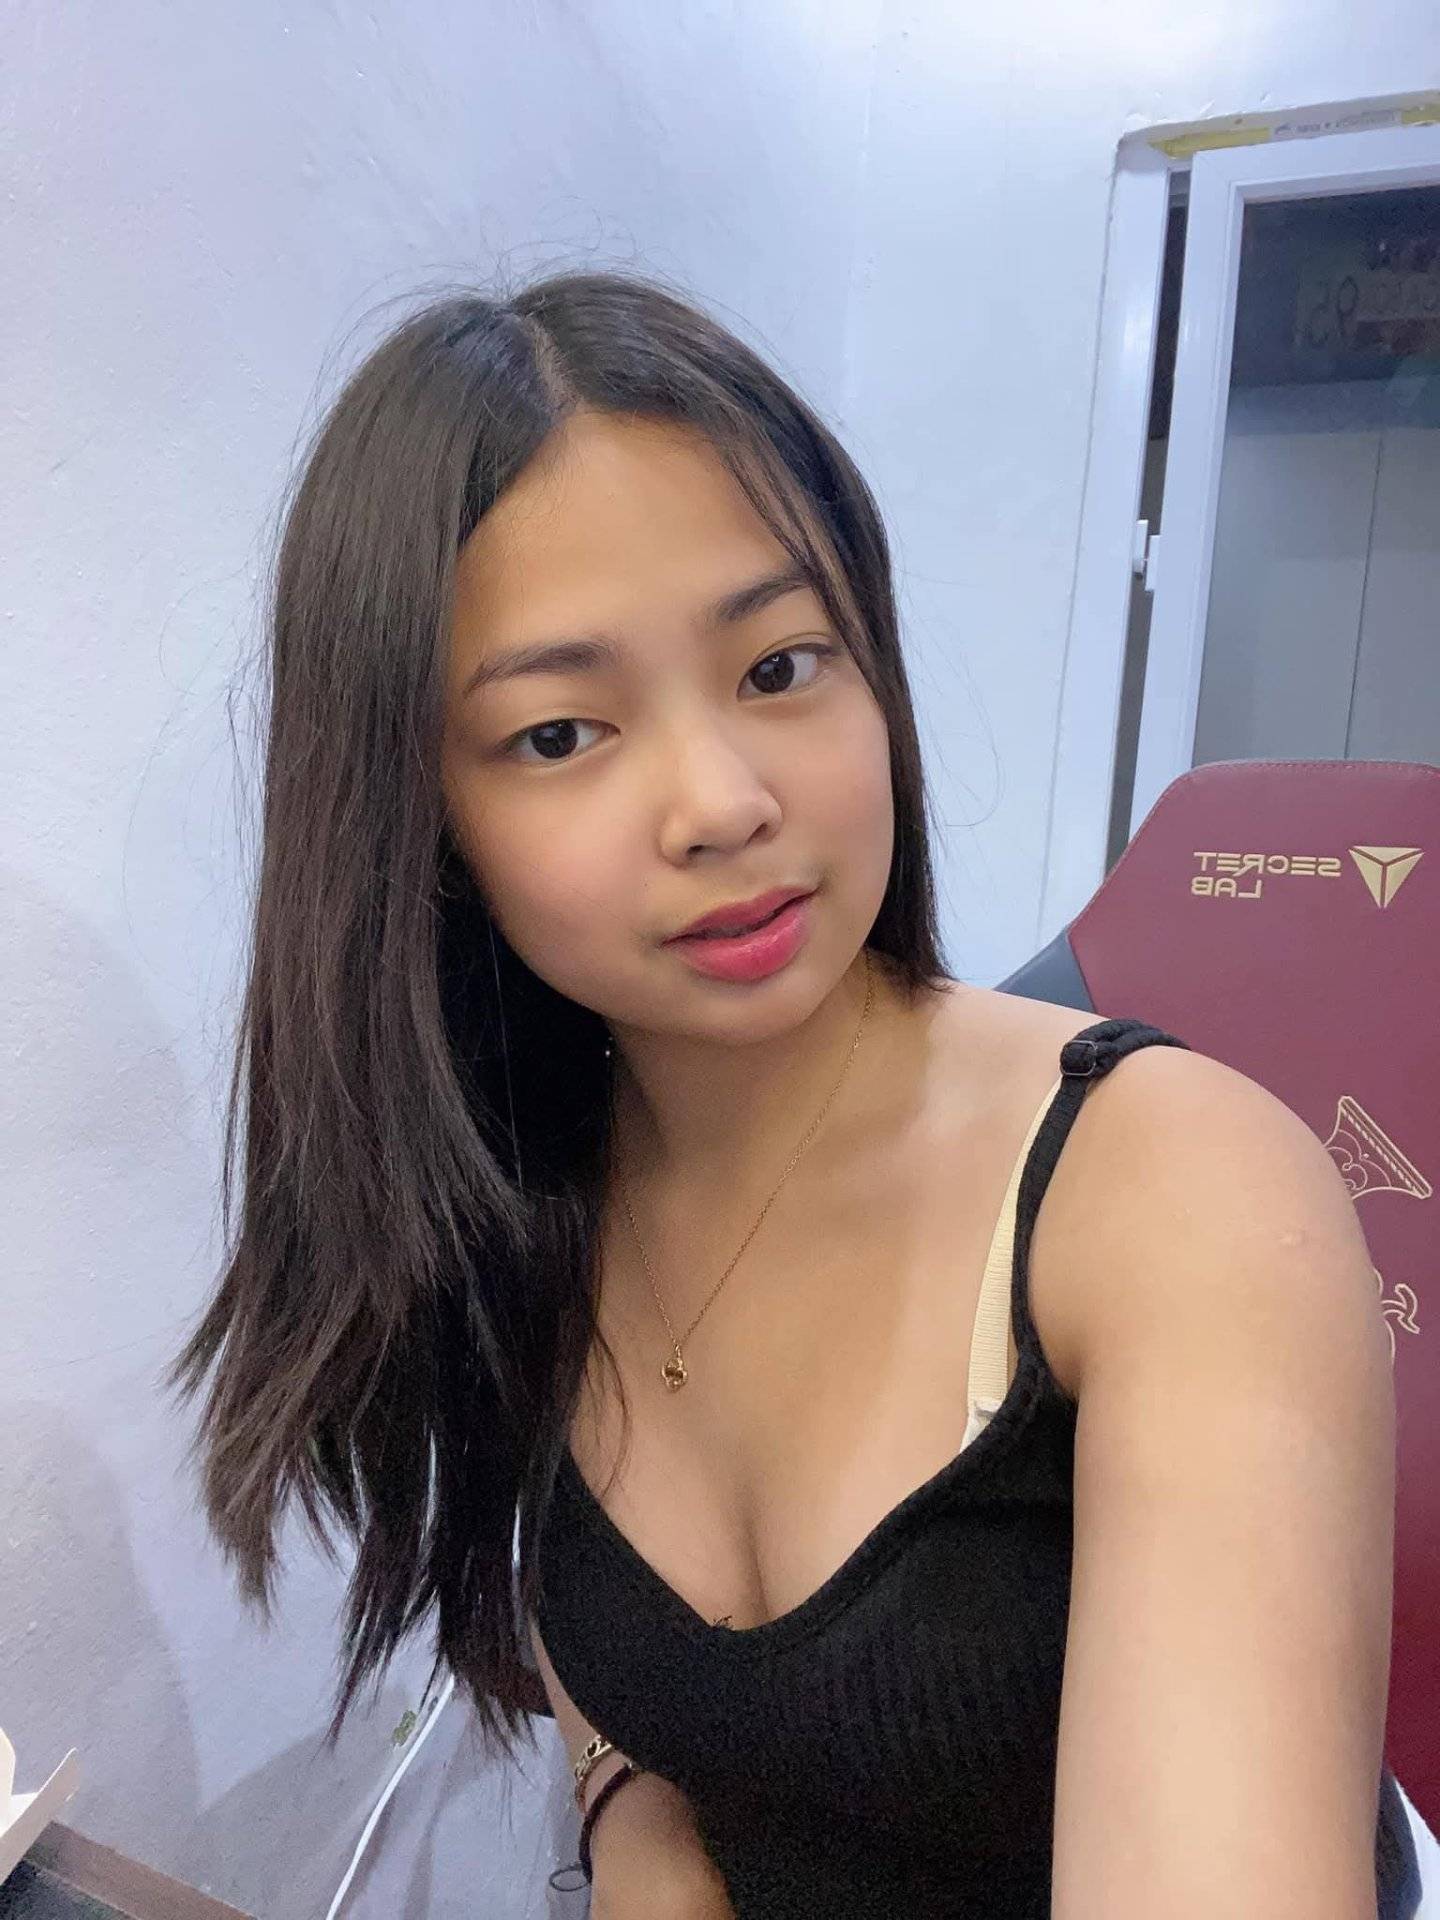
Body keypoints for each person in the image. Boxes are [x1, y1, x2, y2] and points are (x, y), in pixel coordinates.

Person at [169, 269, 1421, 1919]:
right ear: (419, 822)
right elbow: (609, 1633)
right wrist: (632, 1809)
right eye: (559, 734)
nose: (721, 800)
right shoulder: (522, 1183)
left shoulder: (1175, 1194)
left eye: (779, 665)